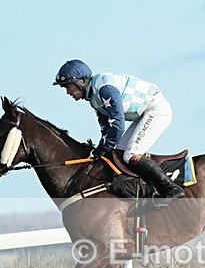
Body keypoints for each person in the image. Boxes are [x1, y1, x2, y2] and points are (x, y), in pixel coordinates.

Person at [53, 59, 184, 204]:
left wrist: (103, 148)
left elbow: (117, 124)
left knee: (131, 154)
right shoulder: (93, 98)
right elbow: (106, 128)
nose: (67, 92)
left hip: (156, 110)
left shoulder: (104, 89)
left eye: (68, 87)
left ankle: (172, 189)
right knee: (120, 153)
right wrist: (100, 149)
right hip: (144, 114)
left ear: (81, 81)